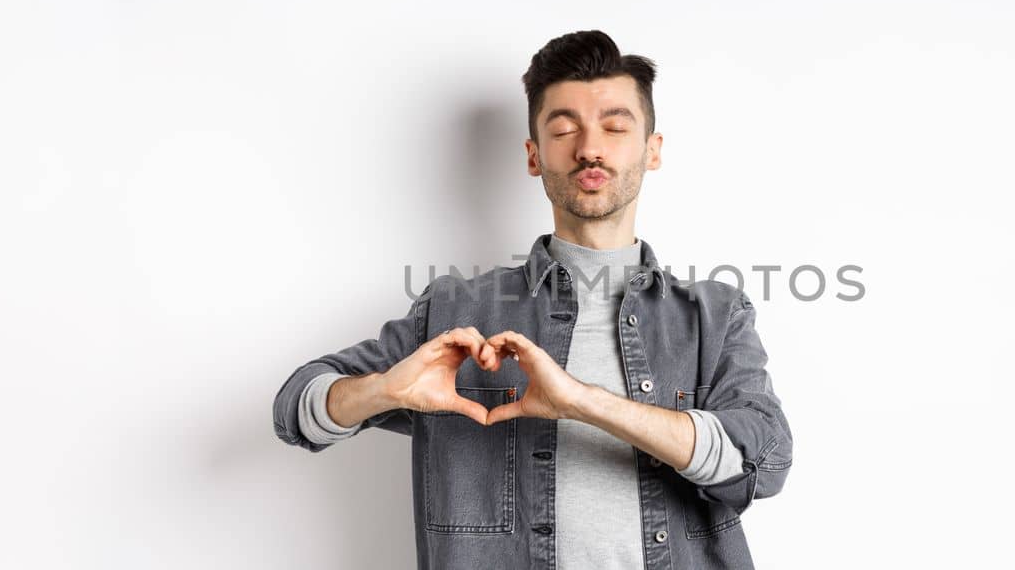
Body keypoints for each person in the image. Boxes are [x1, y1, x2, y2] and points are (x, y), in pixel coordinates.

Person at [272, 29, 793, 570]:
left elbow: (765, 459)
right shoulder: (456, 311)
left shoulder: (713, 315)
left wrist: (581, 401)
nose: (590, 147)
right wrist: (381, 390)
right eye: (564, 129)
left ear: (652, 150)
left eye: (615, 127)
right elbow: (295, 409)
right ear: (533, 155)